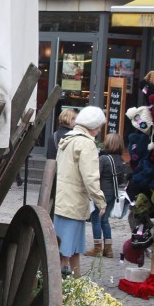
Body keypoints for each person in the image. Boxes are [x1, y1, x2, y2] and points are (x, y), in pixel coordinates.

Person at [53, 105, 106, 279]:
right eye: (99, 127)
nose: (99, 131)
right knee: (67, 249)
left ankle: (76, 281)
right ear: (93, 126)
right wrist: (100, 201)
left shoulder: (67, 139)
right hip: (74, 202)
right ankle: (62, 282)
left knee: (71, 247)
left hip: (63, 200)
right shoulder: (86, 143)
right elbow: (90, 177)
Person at [87, 132, 129, 258]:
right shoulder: (121, 160)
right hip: (114, 194)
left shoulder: (103, 159)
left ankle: (97, 248)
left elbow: (96, 175)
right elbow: (121, 179)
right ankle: (108, 249)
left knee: (96, 218)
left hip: (102, 193)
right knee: (105, 220)